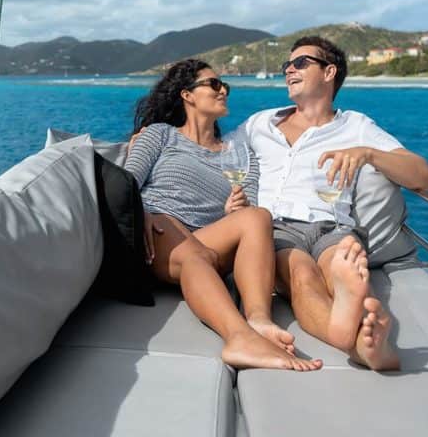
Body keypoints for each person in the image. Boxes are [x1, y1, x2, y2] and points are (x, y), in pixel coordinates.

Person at [241, 36, 428, 371]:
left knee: (343, 267)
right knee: (302, 275)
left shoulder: (356, 126)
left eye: (300, 63)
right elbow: (212, 147)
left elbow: (423, 177)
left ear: (329, 72)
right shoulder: (261, 123)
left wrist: (368, 153)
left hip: (334, 226)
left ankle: (360, 322)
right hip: (277, 228)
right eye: (286, 65)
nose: (289, 69)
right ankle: (363, 344)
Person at [125, 58, 322, 372]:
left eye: (225, 86)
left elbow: (251, 213)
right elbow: (127, 181)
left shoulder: (240, 153)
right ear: (187, 95)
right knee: (193, 252)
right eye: (214, 84)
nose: (223, 91)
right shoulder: (161, 135)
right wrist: (141, 210)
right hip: (159, 230)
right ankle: (238, 337)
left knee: (257, 216)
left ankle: (258, 320)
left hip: (208, 242)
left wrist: (234, 212)